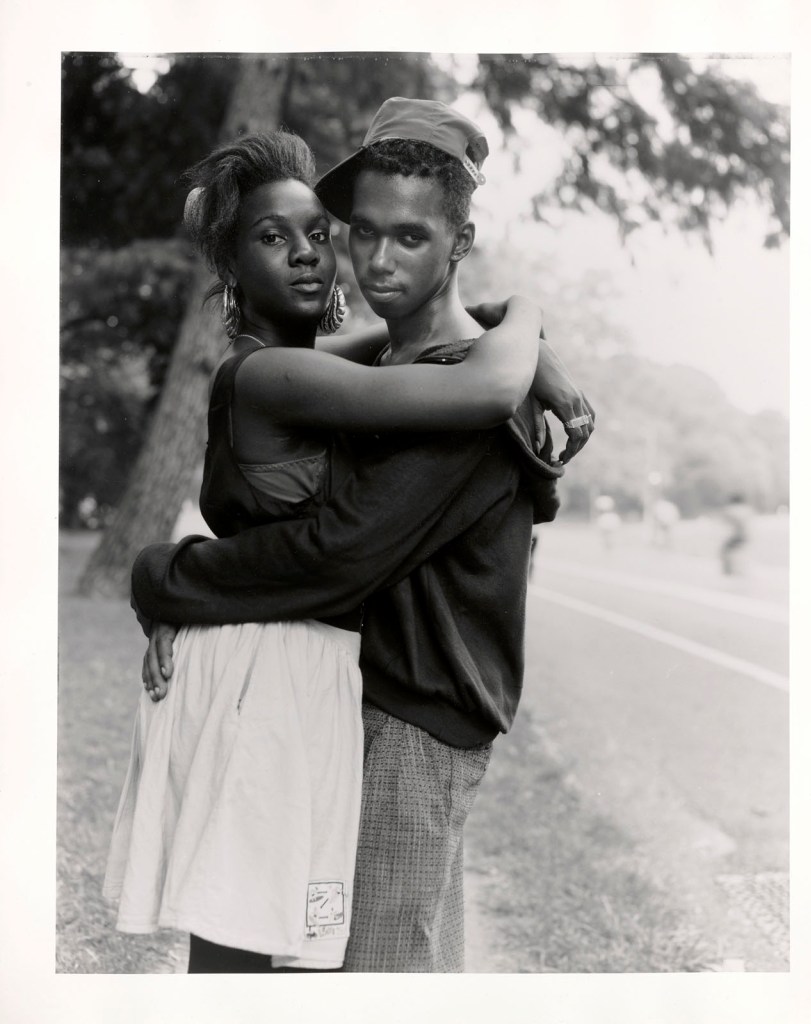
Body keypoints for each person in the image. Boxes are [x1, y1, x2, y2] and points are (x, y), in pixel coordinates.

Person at [131, 97, 595, 973]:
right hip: (322, 700)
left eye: (410, 237)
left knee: (371, 973)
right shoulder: (371, 368)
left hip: (408, 727)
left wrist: (166, 577)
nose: (373, 259)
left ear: (458, 242)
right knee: (281, 954)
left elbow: (338, 552)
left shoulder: (456, 393)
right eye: (364, 232)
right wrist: (521, 323)